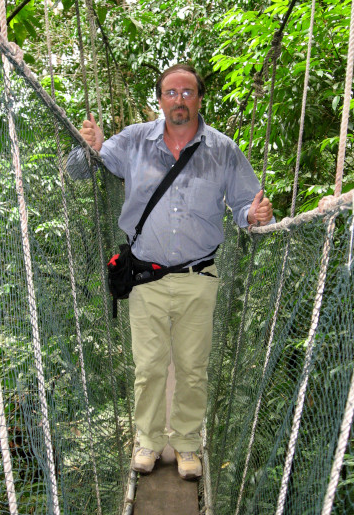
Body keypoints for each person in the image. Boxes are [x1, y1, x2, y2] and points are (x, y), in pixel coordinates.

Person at [70, 63, 274, 480]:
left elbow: (245, 208)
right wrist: (86, 147)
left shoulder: (224, 150)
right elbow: (77, 172)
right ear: (159, 100)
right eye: (171, 93)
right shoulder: (132, 142)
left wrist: (255, 216)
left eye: (187, 92)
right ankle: (147, 441)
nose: (179, 100)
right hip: (146, 278)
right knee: (149, 368)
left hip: (199, 277)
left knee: (193, 366)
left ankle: (185, 445)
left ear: (199, 98)